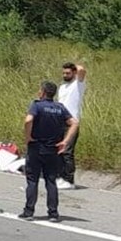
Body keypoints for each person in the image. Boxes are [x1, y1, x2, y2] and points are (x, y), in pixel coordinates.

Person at [19, 81, 78, 222]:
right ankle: (53, 213)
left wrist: (28, 137)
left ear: (43, 92)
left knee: (32, 180)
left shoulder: (37, 105)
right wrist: (65, 141)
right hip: (53, 149)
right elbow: (74, 123)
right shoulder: (60, 108)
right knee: (51, 181)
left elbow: (28, 120)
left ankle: (29, 211)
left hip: (36, 147)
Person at [55, 62, 86, 190]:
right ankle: (60, 177)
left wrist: (74, 66)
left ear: (73, 73)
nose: (65, 75)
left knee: (67, 152)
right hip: (59, 122)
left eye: (68, 73)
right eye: (63, 73)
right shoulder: (62, 87)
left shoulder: (78, 85)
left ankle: (69, 180)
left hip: (71, 124)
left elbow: (82, 70)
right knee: (58, 150)